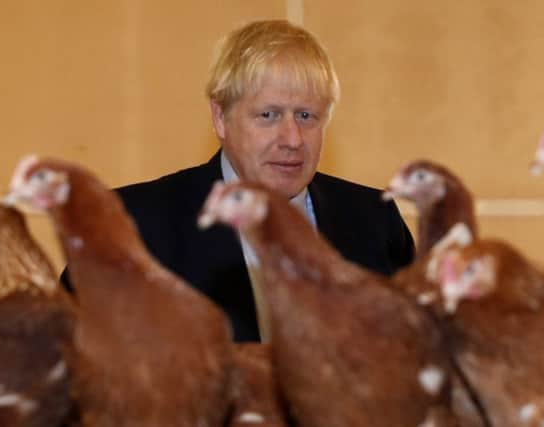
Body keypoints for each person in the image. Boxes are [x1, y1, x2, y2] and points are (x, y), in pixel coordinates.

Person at [95, 19, 414, 341]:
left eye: (306, 116)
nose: (292, 139)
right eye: (268, 115)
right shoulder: (131, 225)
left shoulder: (375, 221)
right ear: (221, 118)